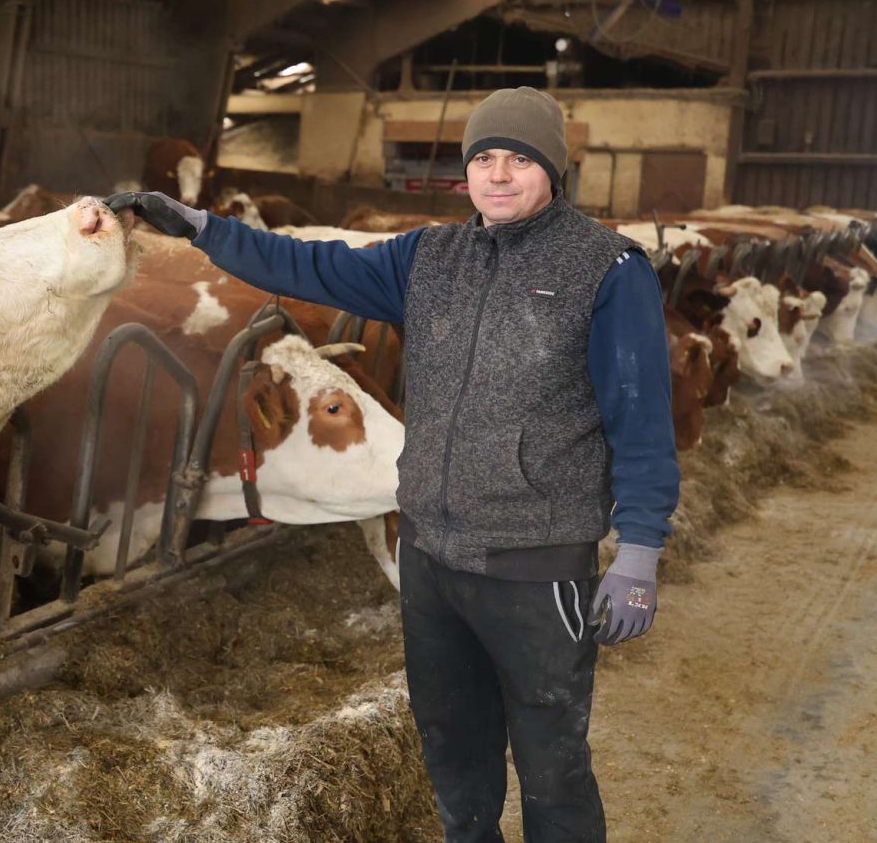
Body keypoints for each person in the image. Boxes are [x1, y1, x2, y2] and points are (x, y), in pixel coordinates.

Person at [107, 86, 679, 843]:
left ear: (553, 168)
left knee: (554, 769)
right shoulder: (429, 257)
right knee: (454, 760)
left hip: (535, 565)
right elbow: (306, 265)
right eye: (483, 158)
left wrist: (639, 549)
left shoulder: (607, 269)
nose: (498, 175)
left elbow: (641, 417)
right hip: (431, 560)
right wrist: (205, 229)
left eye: (518, 159)